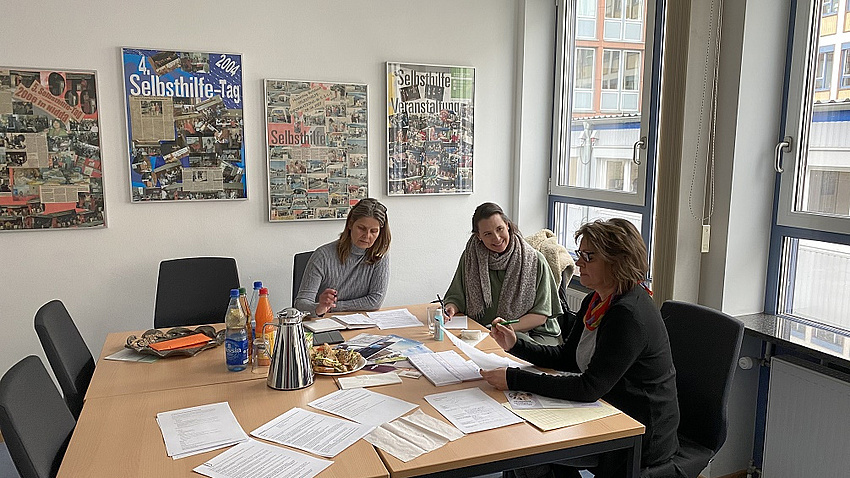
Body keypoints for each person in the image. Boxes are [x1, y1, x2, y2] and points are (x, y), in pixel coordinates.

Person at [480, 218, 680, 478]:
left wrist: (514, 378)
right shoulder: (596, 300)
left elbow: (589, 388)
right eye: (579, 254)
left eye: (588, 256)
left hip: (636, 434)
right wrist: (516, 344)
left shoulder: (628, 315)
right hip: (606, 411)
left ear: (617, 261)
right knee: (525, 446)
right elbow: (568, 358)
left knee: (528, 451)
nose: (578, 263)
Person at [443, 202, 562, 345]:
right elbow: (457, 296)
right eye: (488, 234)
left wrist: (504, 329)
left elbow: (540, 316)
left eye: (500, 229)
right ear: (479, 236)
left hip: (535, 332)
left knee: (523, 362)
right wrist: (451, 308)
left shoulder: (535, 260)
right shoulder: (470, 257)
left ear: (507, 225)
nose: (497, 238)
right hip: (485, 332)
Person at [295, 198, 391, 316]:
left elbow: (375, 301)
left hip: (361, 322)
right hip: (323, 322)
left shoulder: (380, 255)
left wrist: (333, 307)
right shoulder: (323, 256)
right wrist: (319, 308)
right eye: (361, 228)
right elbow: (301, 304)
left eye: (374, 231)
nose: (367, 236)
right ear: (350, 224)